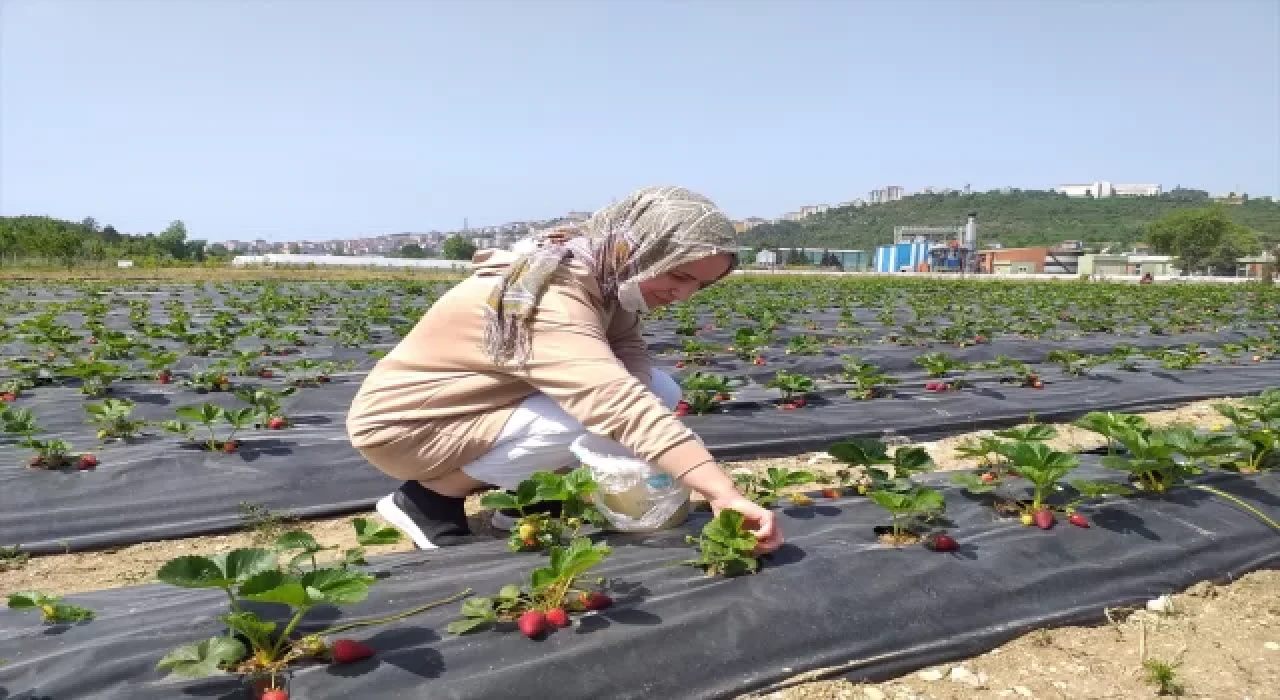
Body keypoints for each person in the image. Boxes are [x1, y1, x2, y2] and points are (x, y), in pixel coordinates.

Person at [347, 185, 784, 554]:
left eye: (700, 285)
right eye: (680, 275)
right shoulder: (546, 294)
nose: (684, 295)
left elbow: (627, 351)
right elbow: (613, 402)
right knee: (597, 411)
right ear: (633, 248)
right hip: (408, 427)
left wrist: (648, 443)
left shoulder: (606, 277)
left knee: (657, 390)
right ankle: (429, 499)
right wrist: (721, 491)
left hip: (480, 406)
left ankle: (524, 500)